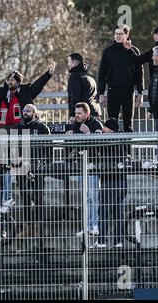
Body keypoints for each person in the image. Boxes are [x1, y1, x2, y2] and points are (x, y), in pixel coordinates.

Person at [0, 59, 55, 127]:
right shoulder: (2, 93)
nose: (10, 81)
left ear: (18, 82)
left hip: (21, 130)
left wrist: (48, 74)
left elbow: (39, 83)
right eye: (9, 80)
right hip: (2, 130)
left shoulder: (27, 92)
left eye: (12, 80)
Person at [12, 104, 50, 237]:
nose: (24, 112)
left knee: (38, 197)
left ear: (35, 113)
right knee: (25, 198)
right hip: (21, 169)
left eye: (28, 110)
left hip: (38, 169)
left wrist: (46, 165)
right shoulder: (17, 128)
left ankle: (39, 228)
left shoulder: (42, 128)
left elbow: (48, 148)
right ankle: (28, 228)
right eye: (23, 110)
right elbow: (13, 148)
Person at [98, 24, 144, 132]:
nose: (118, 36)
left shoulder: (134, 51)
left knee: (128, 124)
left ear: (127, 35)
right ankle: (113, 149)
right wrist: (101, 93)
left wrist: (140, 93)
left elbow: (139, 73)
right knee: (111, 124)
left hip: (129, 91)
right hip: (113, 90)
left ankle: (128, 149)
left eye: (121, 34)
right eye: (116, 34)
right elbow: (101, 73)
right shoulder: (108, 51)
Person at [91, 118, 129, 249]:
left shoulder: (109, 140)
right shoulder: (119, 141)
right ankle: (118, 242)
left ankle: (101, 241)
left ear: (110, 129)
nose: (102, 130)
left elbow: (95, 146)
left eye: (104, 128)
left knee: (104, 211)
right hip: (122, 182)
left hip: (110, 181)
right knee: (118, 212)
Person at [66, 103, 102, 236]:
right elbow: (71, 147)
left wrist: (88, 133)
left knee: (93, 196)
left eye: (79, 113)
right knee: (85, 197)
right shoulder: (74, 125)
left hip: (93, 166)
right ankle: (87, 226)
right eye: (75, 113)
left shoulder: (96, 124)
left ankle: (95, 224)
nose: (76, 115)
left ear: (87, 114)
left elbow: (100, 144)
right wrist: (67, 136)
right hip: (81, 165)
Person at [67, 53, 101, 121]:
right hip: (96, 113)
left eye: (69, 62)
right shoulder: (89, 77)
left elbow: (75, 96)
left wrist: (74, 114)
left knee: (78, 132)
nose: (68, 64)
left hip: (84, 116)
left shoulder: (75, 76)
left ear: (74, 63)